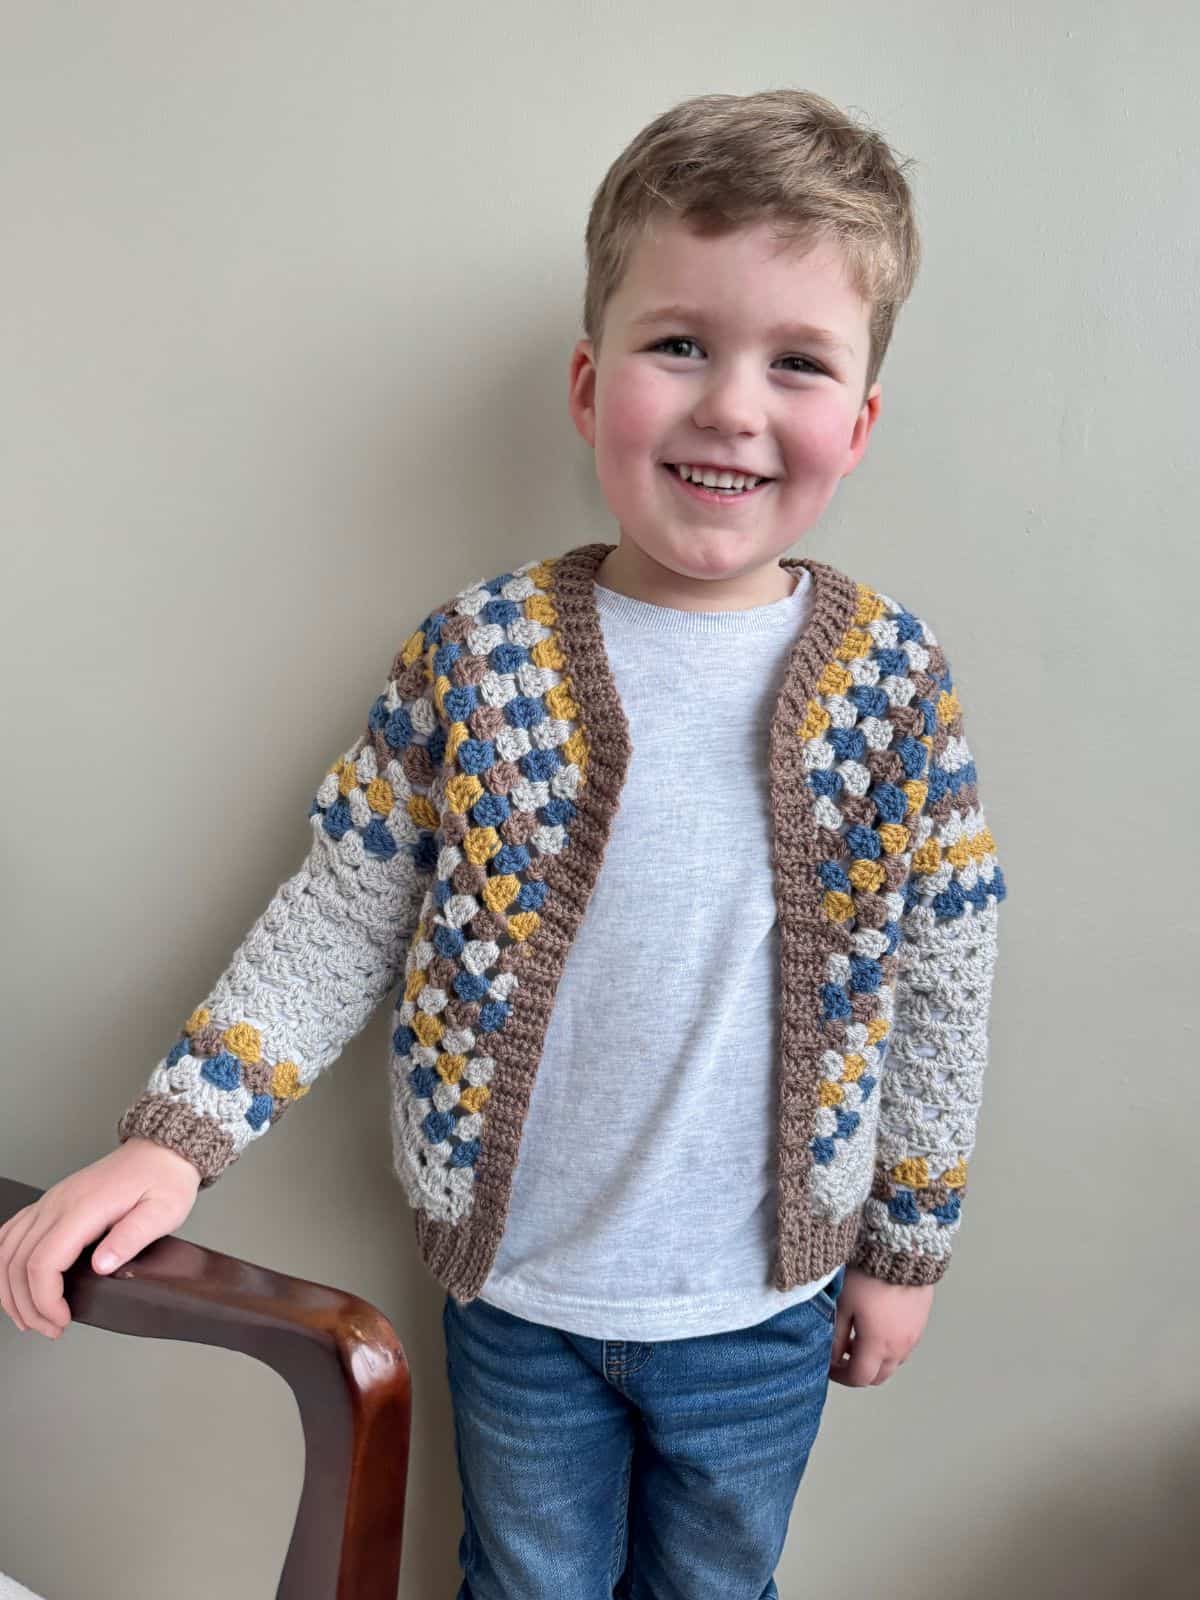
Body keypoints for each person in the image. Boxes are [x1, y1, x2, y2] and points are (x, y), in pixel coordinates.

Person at [1, 89, 1008, 1599]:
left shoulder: (892, 689)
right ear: (590, 384)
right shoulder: (481, 659)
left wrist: (905, 1247)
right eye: (682, 345)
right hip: (520, 1302)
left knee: (717, 1587)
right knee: (521, 1580)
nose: (734, 405)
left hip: (767, 1310)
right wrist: (177, 1135)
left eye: (796, 363)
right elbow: (345, 912)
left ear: (856, 423)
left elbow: (945, 978)